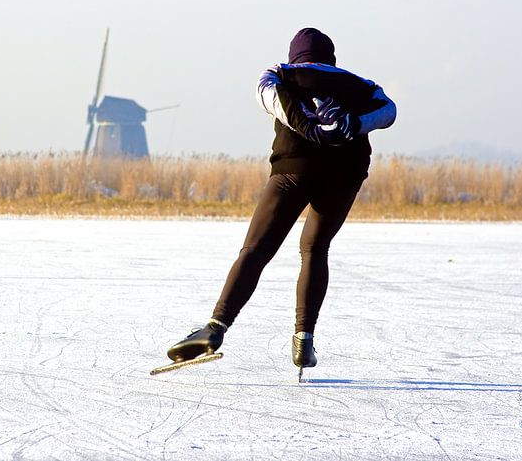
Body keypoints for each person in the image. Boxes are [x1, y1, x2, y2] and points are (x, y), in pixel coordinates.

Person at [167, 27, 397, 368]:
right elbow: (388, 111)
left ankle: (216, 326)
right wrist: (351, 124)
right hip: (344, 175)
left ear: (295, 55)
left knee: (256, 250)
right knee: (315, 250)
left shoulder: (281, 72)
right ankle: (304, 340)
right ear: (331, 57)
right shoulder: (361, 85)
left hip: (293, 169)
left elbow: (269, 97)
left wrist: (310, 129)